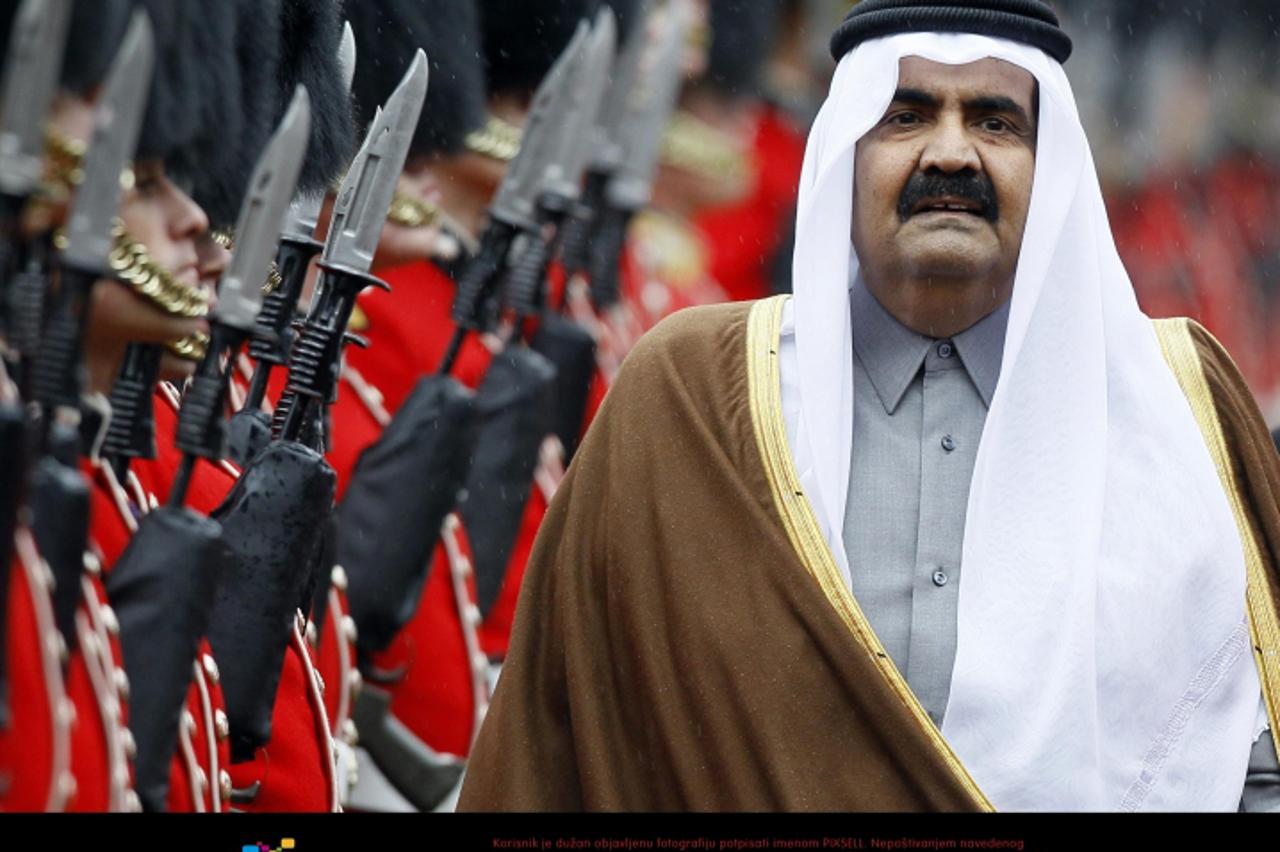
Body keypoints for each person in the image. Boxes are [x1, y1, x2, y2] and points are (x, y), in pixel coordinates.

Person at [457, 0, 1280, 811]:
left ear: (1055, 166)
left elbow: (1249, 757)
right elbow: (556, 748)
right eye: (905, 116)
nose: (951, 153)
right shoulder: (689, 395)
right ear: (844, 152)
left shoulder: (1177, 403)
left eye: (995, 122)